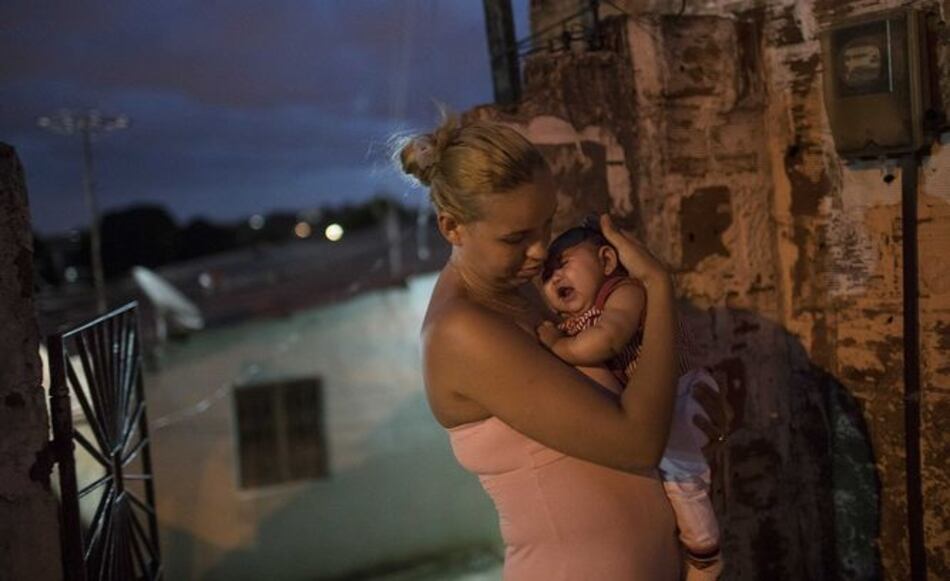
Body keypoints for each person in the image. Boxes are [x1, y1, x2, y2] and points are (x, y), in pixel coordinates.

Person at [400, 113, 730, 580]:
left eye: (546, 224)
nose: (539, 252)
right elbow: (635, 442)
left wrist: (687, 417)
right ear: (452, 227)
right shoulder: (462, 331)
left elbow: (633, 405)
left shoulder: (523, 295)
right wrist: (656, 288)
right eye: (516, 237)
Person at [535, 222, 723, 580]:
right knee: (670, 476)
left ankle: (705, 552)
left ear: (607, 260)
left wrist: (557, 346)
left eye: (563, 263)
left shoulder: (624, 293)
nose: (554, 275)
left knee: (683, 476)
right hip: (660, 405)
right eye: (546, 275)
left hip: (682, 393)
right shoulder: (573, 319)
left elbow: (607, 340)